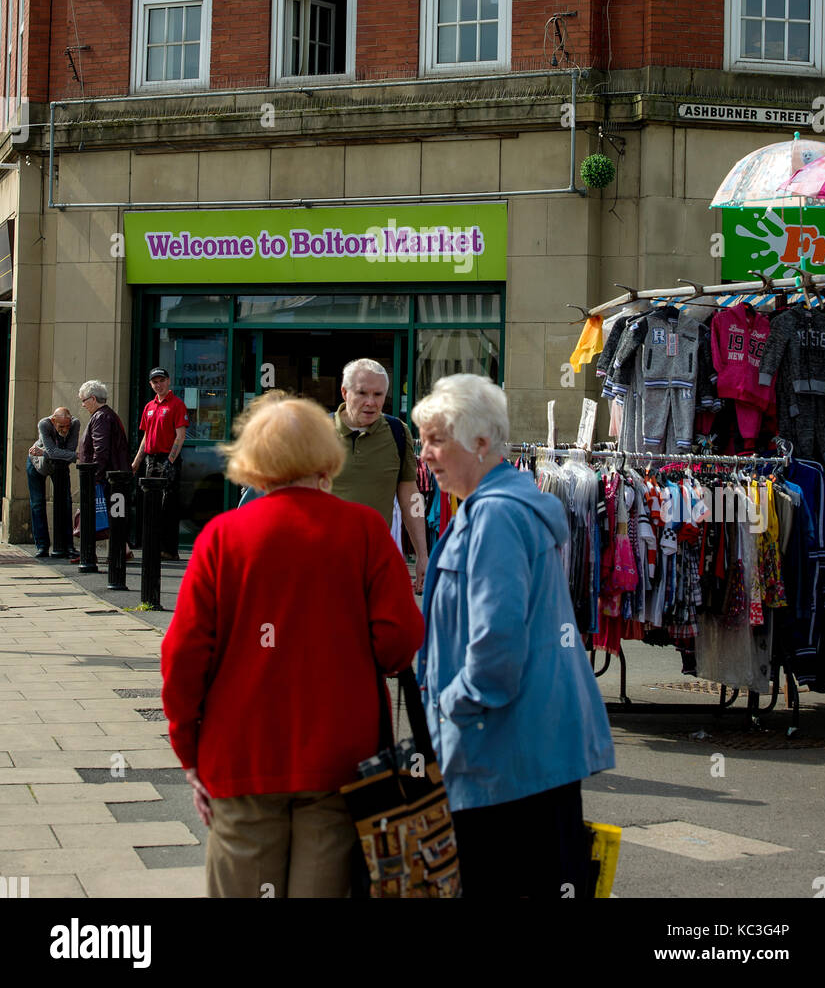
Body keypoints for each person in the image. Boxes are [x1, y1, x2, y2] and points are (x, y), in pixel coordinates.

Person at [161, 392, 424, 899]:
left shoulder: (222, 536)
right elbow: (399, 640)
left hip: (240, 756)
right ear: (326, 454)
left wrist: (189, 753)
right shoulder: (365, 530)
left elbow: (183, 656)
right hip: (340, 757)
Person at [412, 373, 615, 900]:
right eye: (422, 439)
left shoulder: (496, 515)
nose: (425, 453)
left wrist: (449, 706)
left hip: (505, 755)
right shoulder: (497, 505)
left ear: (481, 443)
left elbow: (496, 647)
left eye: (437, 439)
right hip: (522, 750)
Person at [331, 358, 428, 593]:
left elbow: (410, 495)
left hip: (375, 562)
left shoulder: (397, 432)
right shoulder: (316, 432)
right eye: (362, 393)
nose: (371, 402)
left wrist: (423, 554)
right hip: (324, 561)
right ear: (344, 392)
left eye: (378, 394)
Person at [132, 367, 189, 560]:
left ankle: (169, 550)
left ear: (168, 381)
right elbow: (146, 436)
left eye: (161, 380)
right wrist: (137, 461)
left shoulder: (177, 405)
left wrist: (170, 462)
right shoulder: (149, 407)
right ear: (150, 384)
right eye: (155, 382)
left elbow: (180, 436)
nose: (158, 385)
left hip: (168, 459)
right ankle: (153, 546)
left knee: (168, 506)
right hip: (151, 459)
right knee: (151, 505)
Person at [77, 381, 133, 559]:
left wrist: (94, 477)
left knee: (106, 513)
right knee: (112, 515)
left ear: (93, 398)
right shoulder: (108, 415)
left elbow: (101, 450)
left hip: (107, 478)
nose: (83, 404)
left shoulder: (101, 417)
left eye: (84, 400)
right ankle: (122, 550)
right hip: (113, 475)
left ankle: (92, 555)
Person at [27, 407, 80, 559]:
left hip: (58, 465)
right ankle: (42, 546)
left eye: (67, 426)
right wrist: (72, 455)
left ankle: (68, 545)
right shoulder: (44, 424)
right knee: (37, 503)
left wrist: (45, 452)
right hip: (37, 464)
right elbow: (57, 452)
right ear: (53, 421)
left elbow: (68, 450)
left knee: (66, 501)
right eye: (61, 426)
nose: (65, 429)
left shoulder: (75, 423)